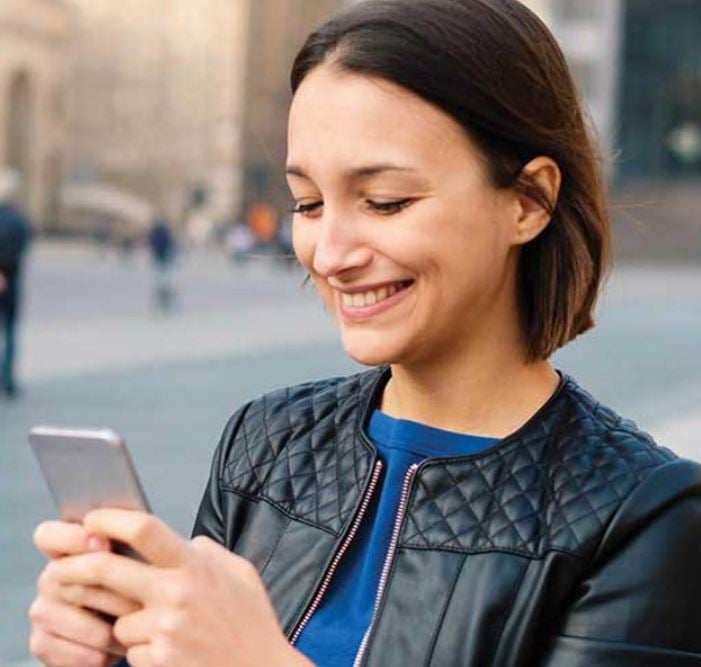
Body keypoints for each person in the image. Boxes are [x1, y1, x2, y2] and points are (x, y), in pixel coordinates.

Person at [28, 1, 701, 665]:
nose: (329, 252)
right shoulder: (265, 443)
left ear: (527, 200)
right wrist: (123, 651)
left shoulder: (644, 516)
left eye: (384, 201)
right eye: (308, 203)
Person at [0, 170, 30, 397]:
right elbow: (20, 250)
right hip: (10, 281)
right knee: (10, 332)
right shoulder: (19, 221)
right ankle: (7, 379)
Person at [147, 218, 177, 311]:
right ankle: (164, 294)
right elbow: (170, 243)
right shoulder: (164, 233)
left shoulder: (156, 232)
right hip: (164, 257)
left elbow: (152, 242)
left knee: (161, 277)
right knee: (164, 277)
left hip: (159, 256)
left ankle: (163, 294)